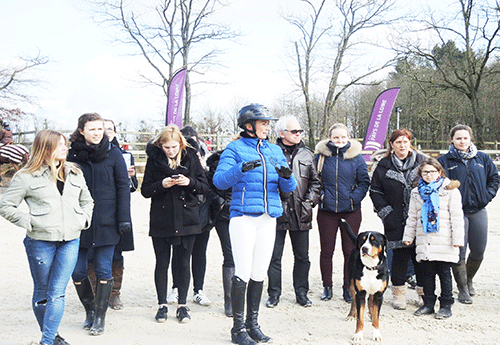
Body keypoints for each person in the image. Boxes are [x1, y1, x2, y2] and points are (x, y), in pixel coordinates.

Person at [0, 129, 94, 345]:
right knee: (43, 292)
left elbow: (87, 201)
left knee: (57, 293)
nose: (66, 148)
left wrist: (83, 220)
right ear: (47, 147)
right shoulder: (25, 177)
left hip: (70, 240)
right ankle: (53, 337)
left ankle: (47, 341)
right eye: (61, 145)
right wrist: (28, 221)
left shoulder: (75, 173)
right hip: (40, 242)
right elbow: (5, 205)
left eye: (65, 144)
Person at [213, 104, 297, 345]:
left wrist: (286, 176)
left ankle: (253, 325)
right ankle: (237, 329)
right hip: (243, 218)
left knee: (260, 271)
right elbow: (219, 181)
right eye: (263, 123)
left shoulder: (273, 150)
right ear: (248, 126)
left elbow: (289, 190)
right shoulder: (234, 148)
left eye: (268, 124)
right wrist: (240, 169)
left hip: (268, 218)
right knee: (243, 270)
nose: (267, 127)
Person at [68, 113, 132, 336]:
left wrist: (124, 218)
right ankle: (90, 311)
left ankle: (100, 318)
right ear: (82, 131)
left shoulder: (114, 153)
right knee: (77, 271)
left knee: (104, 268)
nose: (97, 133)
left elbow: (123, 187)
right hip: (79, 222)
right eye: (92, 129)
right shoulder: (72, 154)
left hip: (108, 220)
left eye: (99, 129)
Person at [141, 124, 209, 324]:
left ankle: (182, 305)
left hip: (188, 218)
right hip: (162, 219)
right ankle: (162, 305)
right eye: (167, 148)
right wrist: (161, 185)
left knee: (183, 262)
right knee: (161, 262)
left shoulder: (191, 158)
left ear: (181, 144)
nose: (171, 151)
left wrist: (189, 183)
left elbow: (204, 186)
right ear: (160, 146)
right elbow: (145, 190)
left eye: (174, 147)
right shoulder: (153, 162)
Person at [438, 125, 499, 304]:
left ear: (470, 139)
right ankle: (462, 288)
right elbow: (439, 183)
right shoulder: (445, 160)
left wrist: (486, 196)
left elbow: (494, 178)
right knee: (459, 250)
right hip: (457, 212)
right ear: (452, 140)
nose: (462, 141)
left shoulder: (482, 159)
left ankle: (469, 278)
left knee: (479, 251)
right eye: (458, 138)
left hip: (479, 210)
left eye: (465, 138)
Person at [266, 116, 321, 308]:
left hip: (300, 212)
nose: (298, 134)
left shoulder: (307, 154)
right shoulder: (269, 152)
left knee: (302, 257)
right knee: (274, 257)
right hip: (276, 212)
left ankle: (301, 293)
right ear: (281, 133)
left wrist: (309, 201)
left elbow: (316, 182)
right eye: (294, 131)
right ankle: (274, 294)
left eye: (300, 131)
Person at [370, 128, 427, 310]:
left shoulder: (422, 161)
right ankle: (398, 294)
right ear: (391, 145)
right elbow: (375, 191)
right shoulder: (384, 165)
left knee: (421, 258)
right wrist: (386, 212)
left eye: (405, 141)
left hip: (420, 218)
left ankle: (423, 293)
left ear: (410, 142)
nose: (402, 145)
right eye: (398, 142)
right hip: (394, 219)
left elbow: (435, 182)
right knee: (399, 258)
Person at [314, 123, 370, 303]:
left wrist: (354, 199)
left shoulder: (356, 157)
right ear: (329, 138)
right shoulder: (321, 157)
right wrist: (321, 197)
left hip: (351, 211)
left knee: (350, 251)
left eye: (343, 137)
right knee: (326, 251)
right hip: (327, 211)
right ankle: (327, 286)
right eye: (336, 137)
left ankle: (348, 287)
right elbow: (315, 180)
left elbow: (364, 182)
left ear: (348, 138)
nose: (339, 140)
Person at [403, 157, 464, 319]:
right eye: (425, 172)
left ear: (439, 172)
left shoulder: (450, 190)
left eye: (432, 172)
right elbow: (412, 217)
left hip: (444, 240)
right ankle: (428, 304)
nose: (429, 175)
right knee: (426, 274)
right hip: (425, 240)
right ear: (420, 174)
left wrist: (458, 239)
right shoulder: (416, 193)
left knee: (444, 274)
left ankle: (445, 305)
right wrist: (408, 236)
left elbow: (457, 217)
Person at [85, 119, 136, 310]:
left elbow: (131, 188)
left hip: (115, 212)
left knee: (115, 253)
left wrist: (129, 176)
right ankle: (95, 293)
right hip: (92, 212)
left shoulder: (122, 155)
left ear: (114, 133)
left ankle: (114, 293)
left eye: (109, 130)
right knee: (90, 254)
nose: (105, 133)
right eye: (101, 129)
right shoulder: (86, 153)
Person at [166, 125, 212, 307]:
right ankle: (176, 287)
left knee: (200, 251)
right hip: (182, 210)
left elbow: (209, 184)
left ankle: (198, 289)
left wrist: (204, 168)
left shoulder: (204, 153)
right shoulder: (178, 157)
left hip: (203, 209)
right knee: (178, 252)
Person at [206, 149, 235, 317]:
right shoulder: (216, 165)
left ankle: (242, 296)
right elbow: (207, 187)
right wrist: (221, 202)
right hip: (224, 215)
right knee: (230, 255)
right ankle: (230, 300)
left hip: (246, 213)